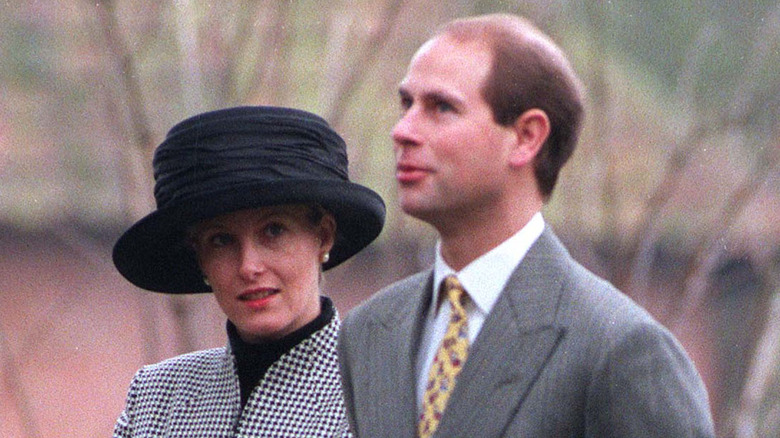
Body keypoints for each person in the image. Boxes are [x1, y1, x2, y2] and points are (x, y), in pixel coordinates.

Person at [338, 13, 715, 438]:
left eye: (441, 107)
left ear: (526, 137)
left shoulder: (619, 348)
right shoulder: (369, 331)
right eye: (407, 104)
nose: (402, 130)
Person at [111, 106, 385, 437]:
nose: (248, 267)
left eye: (273, 231)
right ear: (199, 257)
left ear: (323, 235)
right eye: (221, 240)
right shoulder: (156, 400)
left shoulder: (379, 398)